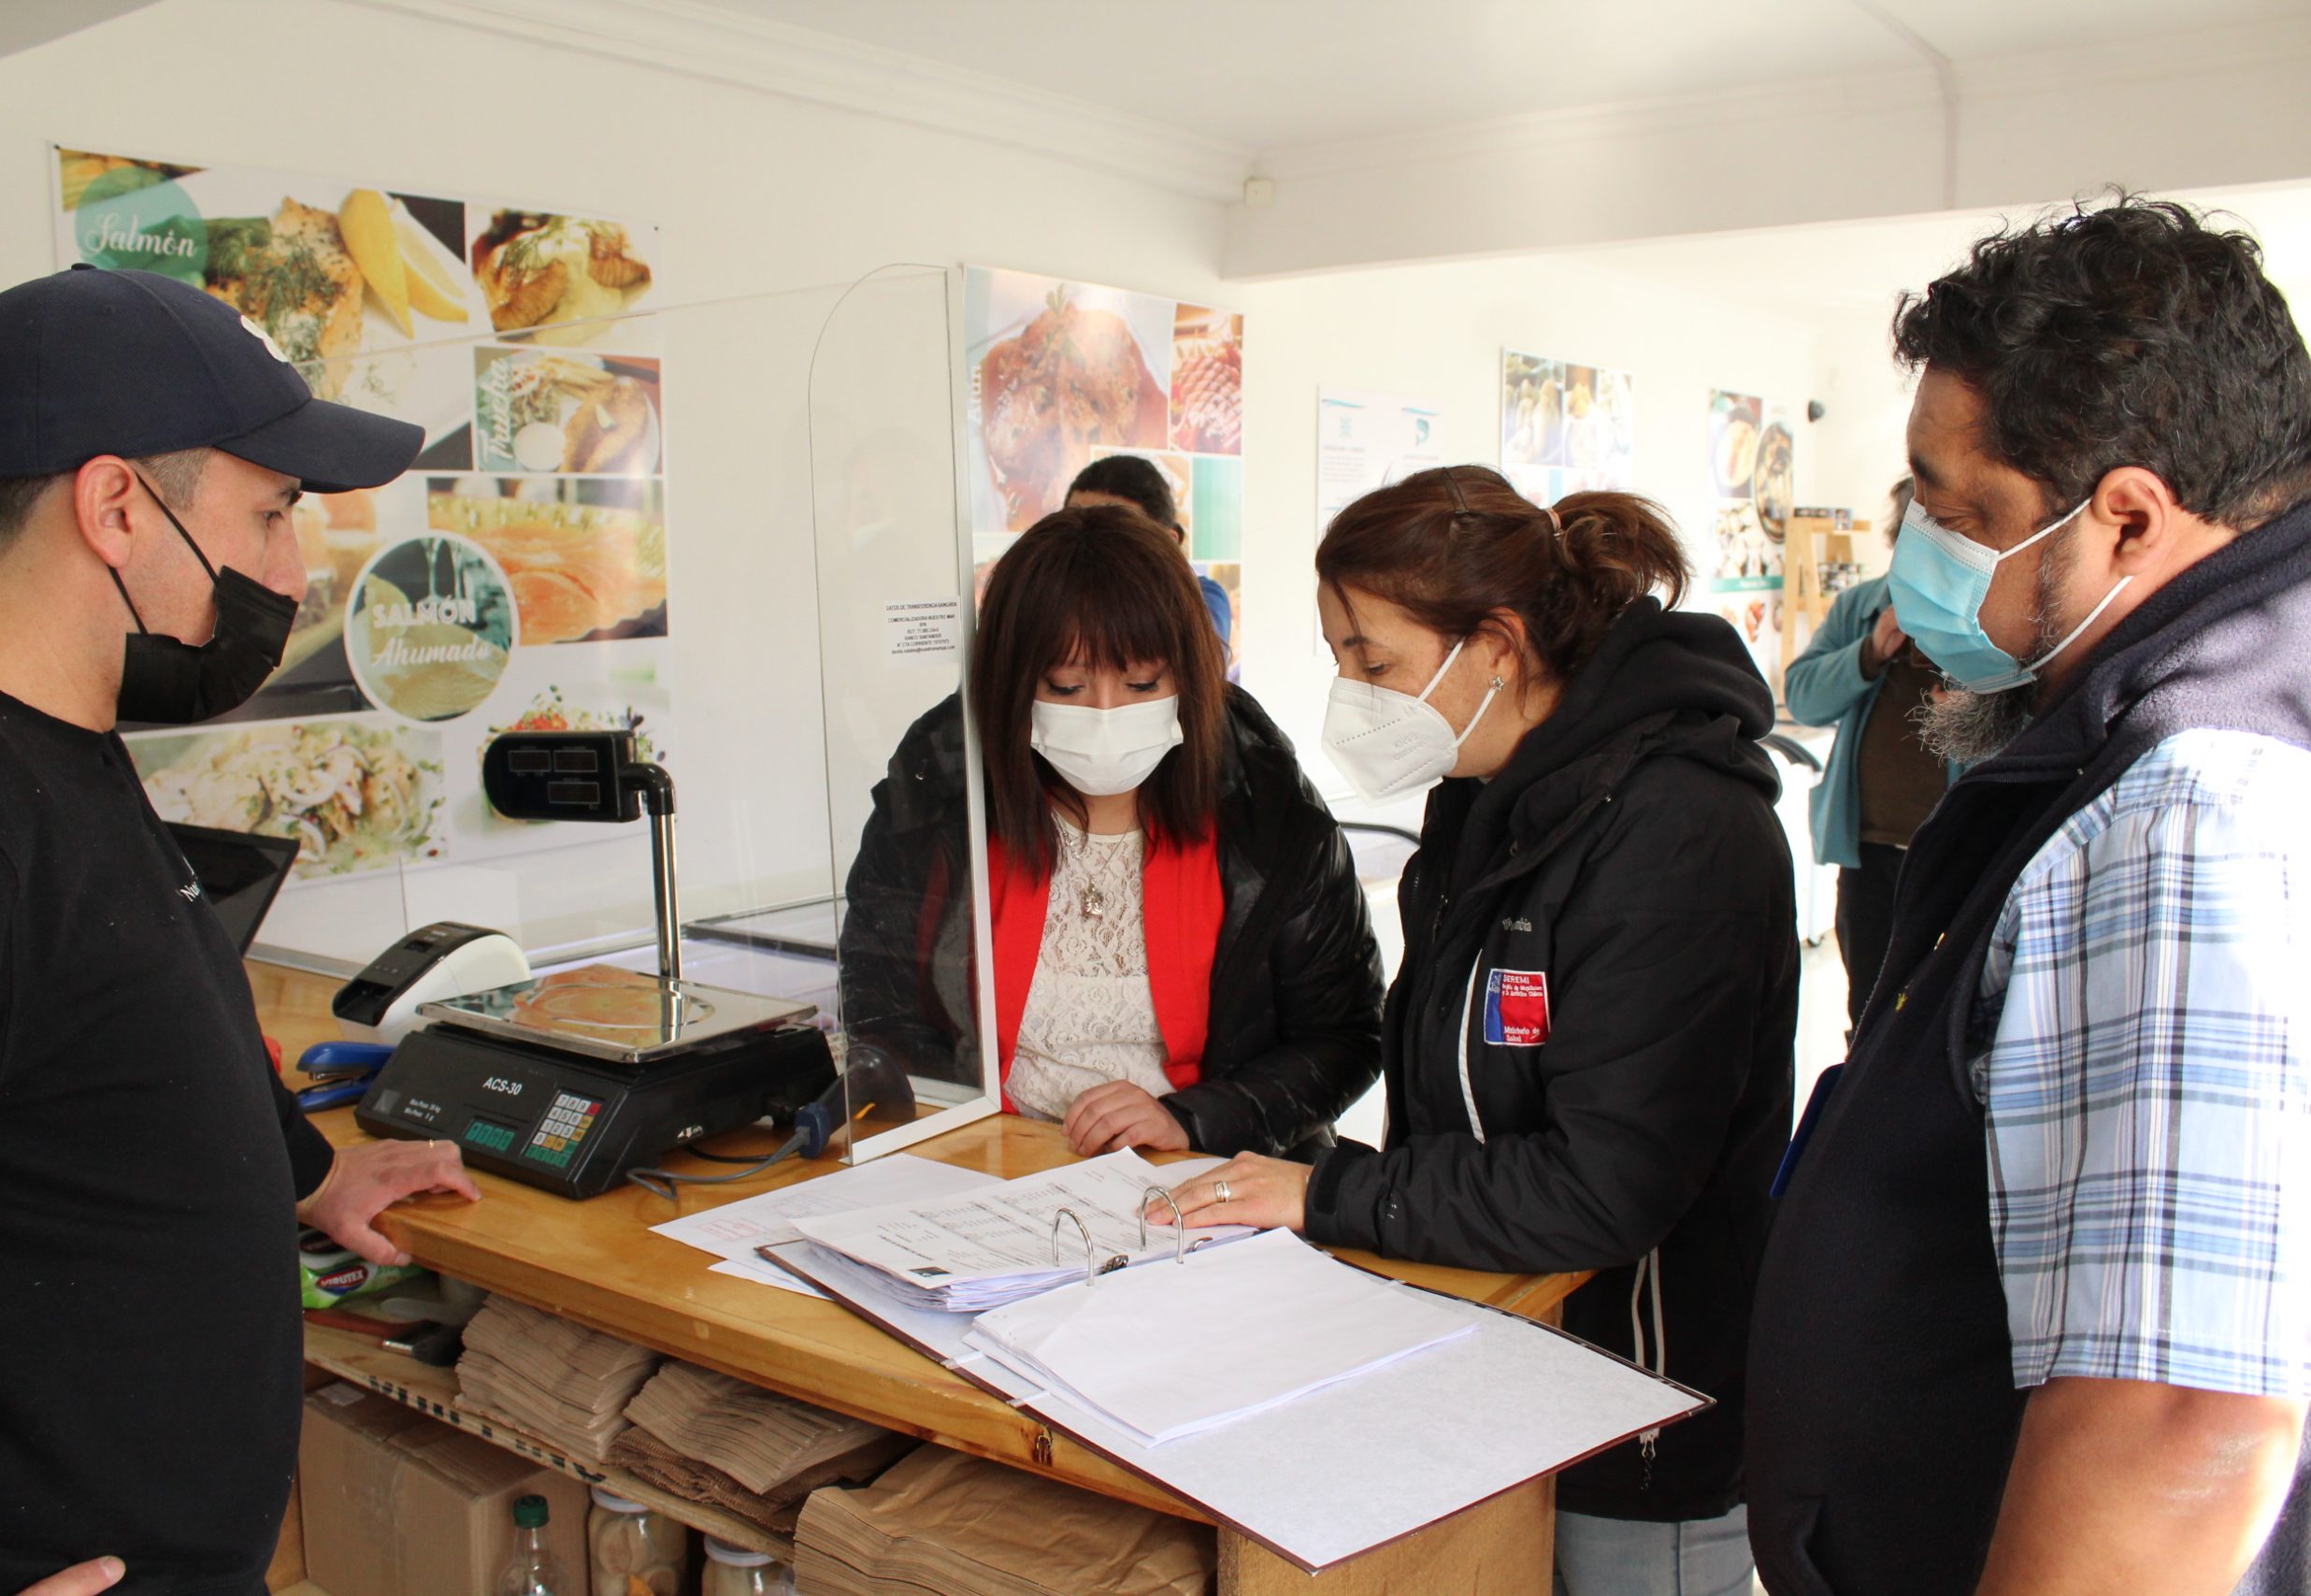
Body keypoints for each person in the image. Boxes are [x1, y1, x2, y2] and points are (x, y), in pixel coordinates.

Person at [1747, 198, 2311, 1596]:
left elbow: (2181, 1417)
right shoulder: (2154, 715)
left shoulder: (2193, 801)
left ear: (2126, 517)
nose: (1924, 547)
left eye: (1960, 511)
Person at [0, 266, 481, 1596]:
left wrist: (301, 1173)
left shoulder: (56, 744)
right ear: (118, 503)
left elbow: (108, 1030)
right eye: (273, 513)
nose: (292, 571)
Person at [1174, 466, 1799, 1596]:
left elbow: (1608, 1185)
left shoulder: (1677, 832)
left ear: (1497, 646)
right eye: (1335, 659)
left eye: (1373, 660)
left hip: (1638, 1417)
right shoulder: (1486, 797)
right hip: (1505, 1366)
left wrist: (1326, 1190)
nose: (1350, 692)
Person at [837, 502, 1380, 1159]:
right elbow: (880, 1008)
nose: (1104, 713)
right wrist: (968, 1138)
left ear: (1190, 674)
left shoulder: (1266, 809)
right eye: (1065, 686)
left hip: (1205, 1175)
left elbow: (1347, 1035)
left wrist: (1196, 1118)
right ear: (1010, 684)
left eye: (1141, 682)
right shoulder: (938, 796)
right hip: (991, 1169)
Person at [1784, 476, 1961, 1032]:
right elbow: (1803, 697)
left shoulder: (1985, 615)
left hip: (1954, 854)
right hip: (1869, 853)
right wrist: (1869, 651)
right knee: (1866, 1009)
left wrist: (1972, 706)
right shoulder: (1861, 606)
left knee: (1939, 1010)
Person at [1065, 453, 1233, 649]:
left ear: (1166, 545)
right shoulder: (1046, 595)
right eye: (1070, 526)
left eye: (1115, 535)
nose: (1086, 545)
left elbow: (1199, 663)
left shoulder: (1205, 598)